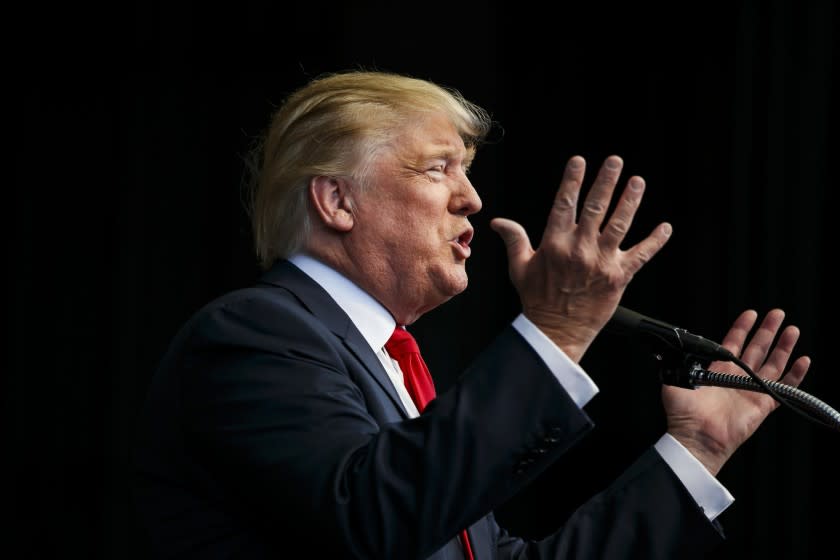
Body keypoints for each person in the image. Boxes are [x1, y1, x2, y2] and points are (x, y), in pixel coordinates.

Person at [131, 69, 811, 559]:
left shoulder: (386, 366)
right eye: (439, 168)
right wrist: (557, 331)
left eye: (469, 171)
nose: (472, 199)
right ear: (337, 201)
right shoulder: (254, 334)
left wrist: (696, 451)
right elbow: (372, 520)